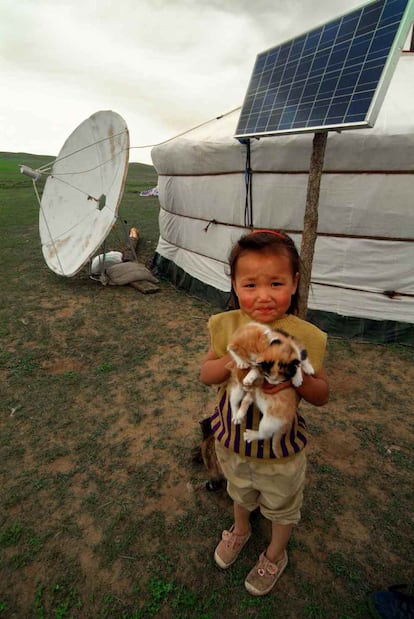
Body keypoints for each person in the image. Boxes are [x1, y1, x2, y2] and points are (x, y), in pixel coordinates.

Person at [200, 229, 329, 597]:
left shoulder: (309, 336)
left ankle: (275, 552)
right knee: (239, 490)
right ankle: (240, 529)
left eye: (276, 283)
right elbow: (205, 374)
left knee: (282, 505)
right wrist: (230, 361)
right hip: (231, 438)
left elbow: (322, 395)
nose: (264, 295)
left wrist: (297, 379)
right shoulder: (224, 325)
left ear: (294, 282)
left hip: (280, 449)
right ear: (235, 284)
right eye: (251, 284)